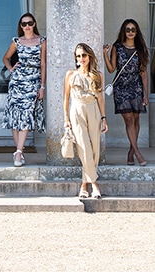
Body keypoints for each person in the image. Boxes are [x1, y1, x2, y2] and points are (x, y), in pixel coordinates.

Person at [1, 13, 46, 167]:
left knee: (26, 115)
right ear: (20, 26)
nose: (27, 26)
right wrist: (11, 69)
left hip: (33, 80)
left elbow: (43, 64)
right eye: (24, 24)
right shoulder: (17, 41)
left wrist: (42, 86)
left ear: (34, 24)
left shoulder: (41, 41)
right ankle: (19, 150)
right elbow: (5, 58)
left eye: (30, 23)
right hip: (17, 81)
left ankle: (18, 153)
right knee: (15, 118)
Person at [103, 19, 150, 166]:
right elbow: (111, 69)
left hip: (136, 87)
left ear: (137, 32)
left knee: (136, 120)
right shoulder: (118, 47)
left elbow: (143, 73)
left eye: (133, 30)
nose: (130, 32)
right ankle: (137, 153)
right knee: (129, 120)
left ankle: (130, 152)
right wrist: (105, 54)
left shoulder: (140, 48)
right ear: (124, 31)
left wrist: (145, 94)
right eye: (128, 29)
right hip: (121, 88)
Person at [64, 43, 108, 198]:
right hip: (76, 111)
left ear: (89, 56)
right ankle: (94, 185)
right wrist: (66, 119)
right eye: (78, 56)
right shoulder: (70, 74)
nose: (81, 58)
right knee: (84, 148)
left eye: (83, 55)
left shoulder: (98, 75)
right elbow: (66, 98)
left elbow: (101, 99)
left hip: (94, 110)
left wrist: (104, 118)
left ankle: (84, 185)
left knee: (94, 148)